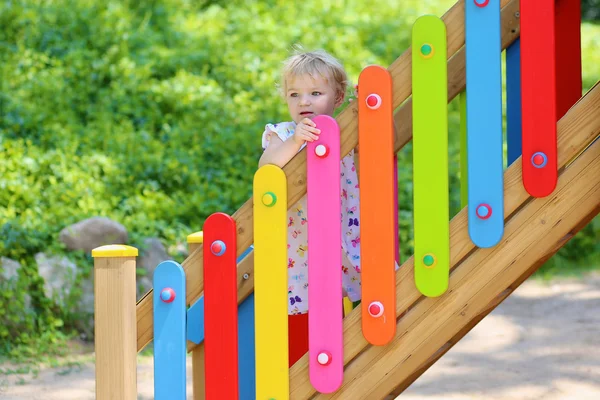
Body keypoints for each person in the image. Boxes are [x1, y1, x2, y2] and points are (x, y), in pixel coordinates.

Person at [258, 47, 363, 365]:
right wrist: (295, 142)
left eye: (315, 93)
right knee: (308, 300)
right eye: (295, 94)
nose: (304, 102)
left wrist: (364, 108)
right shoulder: (283, 132)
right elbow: (266, 167)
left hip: (345, 233)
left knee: (357, 290)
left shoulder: (345, 130)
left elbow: (387, 140)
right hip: (302, 241)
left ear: (339, 95)